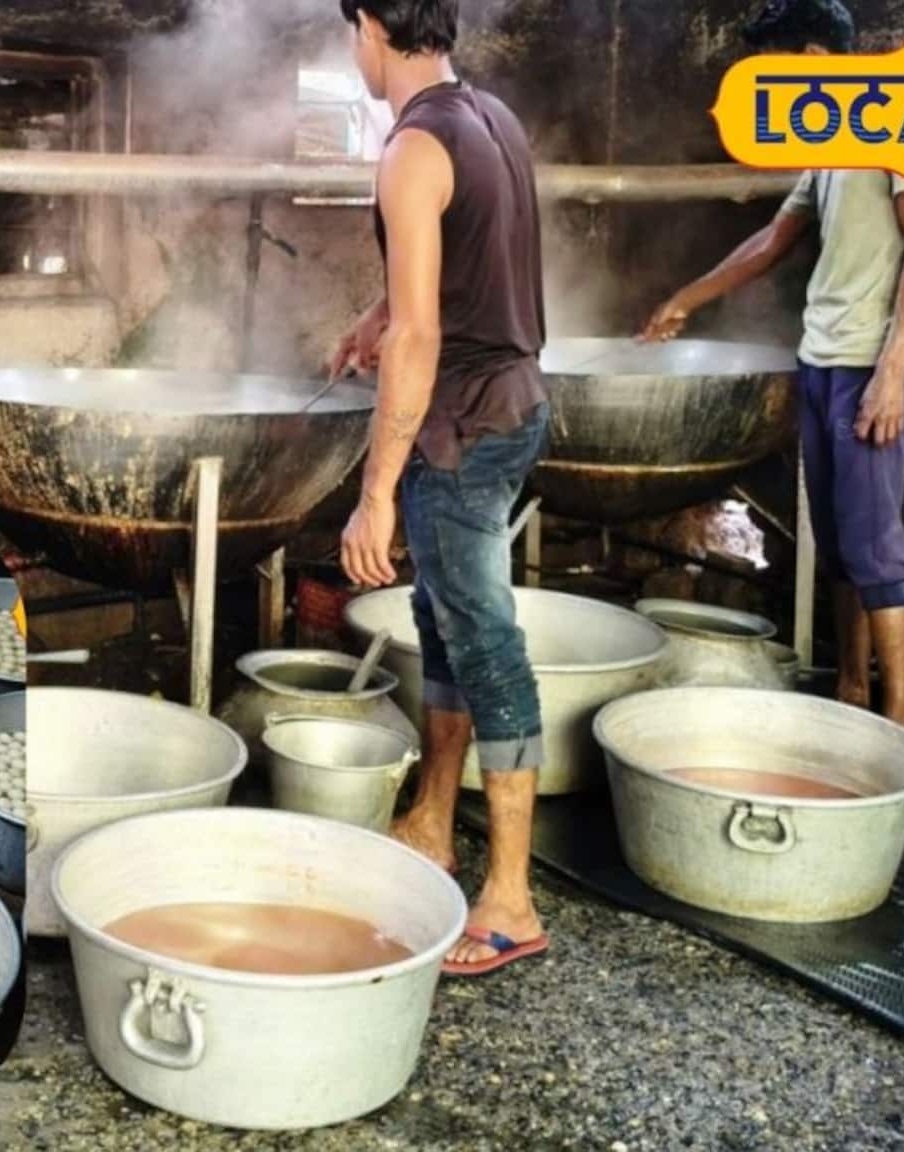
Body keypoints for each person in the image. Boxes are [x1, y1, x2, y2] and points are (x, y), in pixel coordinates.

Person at [639, 0, 904, 729]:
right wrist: (686, 299)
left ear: (810, 61)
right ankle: (852, 693)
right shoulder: (829, 138)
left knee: (875, 551)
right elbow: (774, 238)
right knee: (840, 546)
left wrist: (891, 371)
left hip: (876, 367)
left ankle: (900, 736)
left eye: (770, 76)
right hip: (825, 362)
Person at [330, 0, 550, 976]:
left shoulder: (410, 149)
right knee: (446, 620)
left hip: (461, 425)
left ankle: (510, 900)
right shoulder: (489, 117)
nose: (353, 52)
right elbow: (452, 268)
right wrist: (373, 316)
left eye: (351, 32)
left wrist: (376, 490)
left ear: (373, 27)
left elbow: (424, 335)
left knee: (486, 645)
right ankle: (430, 818)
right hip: (512, 402)